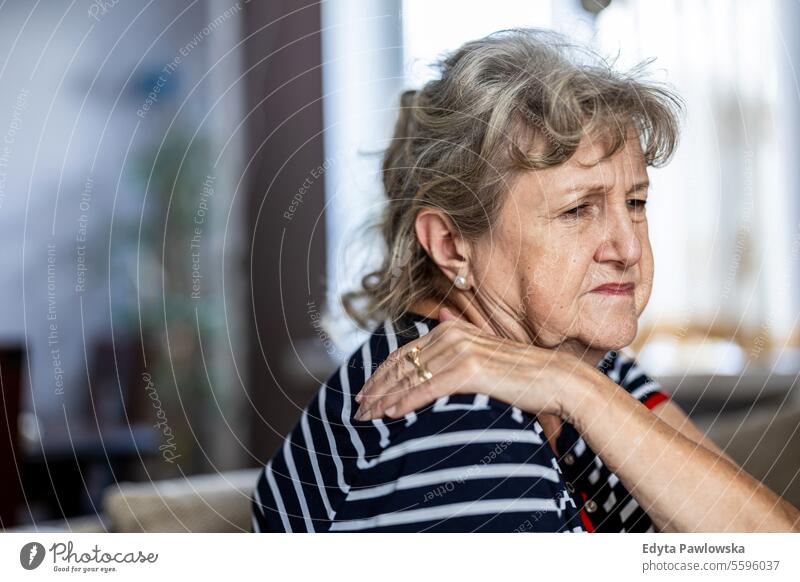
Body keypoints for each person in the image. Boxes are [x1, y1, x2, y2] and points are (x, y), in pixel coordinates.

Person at [251, 28, 800, 533]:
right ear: (450, 244)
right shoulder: (454, 425)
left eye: (634, 202)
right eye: (577, 211)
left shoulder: (586, 366)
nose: (628, 248)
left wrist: (573, 385)